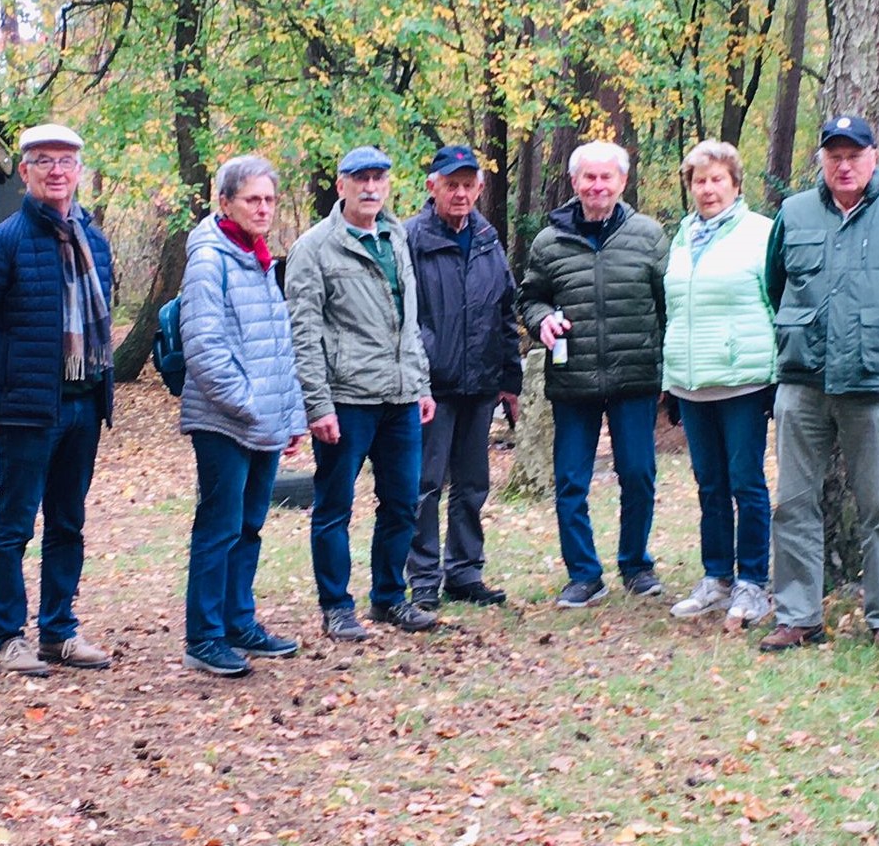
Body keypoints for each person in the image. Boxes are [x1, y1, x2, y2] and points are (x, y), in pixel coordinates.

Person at [759, 114, 879, 652]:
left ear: (874, 158)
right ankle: (798, 616)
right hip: (803, 383)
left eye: (855, 154)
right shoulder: (792, 213)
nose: (844, 164)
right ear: (821, 159)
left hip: (876, 387)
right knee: (793, 503)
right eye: (834, 154)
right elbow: (776, 287)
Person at [0, 123, 116, 676]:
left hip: (84, 403)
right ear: (24, 172)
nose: (56, 171)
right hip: (27, 410)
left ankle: (58, 633)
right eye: (43, 161)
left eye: (66, 162)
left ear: (78, 171)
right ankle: (5, 641)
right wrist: (4, 379)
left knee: (67, 523)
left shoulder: (94, 241)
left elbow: (102, 316)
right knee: (14, 525)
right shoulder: (0, 246)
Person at [287, 146, 438, 640]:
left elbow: (409, 321)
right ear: (341, 186)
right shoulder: (315, 247)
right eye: (360, 179)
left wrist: (420, 384)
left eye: (378, 178)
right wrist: (317, 403)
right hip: (346, 399)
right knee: (335, 505)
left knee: (401, 503)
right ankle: (335, 606)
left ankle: (389, 598)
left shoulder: (396, 237)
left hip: (399, 399)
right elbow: (303, 331)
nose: (370, 187)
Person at [175, 156, 312, 677]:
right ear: (225, 202)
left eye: (269, 199)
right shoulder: (210, 259)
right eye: (251, 199)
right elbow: (205, 347)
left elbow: (278, 347)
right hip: (223, 421)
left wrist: (290, 414)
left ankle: (238, 622)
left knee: (250, 525)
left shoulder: (257, 257)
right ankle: (204, 636)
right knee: (220, 526)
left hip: (263, 422)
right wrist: (252, 407)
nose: (262, 208)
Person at [519, 140, 671, 608]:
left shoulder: (649, 235)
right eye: (590, 177)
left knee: (639, 474)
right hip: (574, 380)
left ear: (622, 183)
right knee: (570, 481)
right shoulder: (550, 241)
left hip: (635, 376)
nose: (598, 185)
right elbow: (529, 298)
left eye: (607, 177)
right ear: (575, 183)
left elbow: (671, 306)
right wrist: (541, 318)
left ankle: (636, 565)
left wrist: (670, 369)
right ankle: (583, 574)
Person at [661, 140, 777, 627]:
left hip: (743, 379)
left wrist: (776, 373)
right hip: (692, 381)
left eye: (716, 179)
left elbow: (778, 301)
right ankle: (716, 577)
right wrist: (669, 377)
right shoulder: (684, 235)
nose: (707, 189)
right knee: (709, 484)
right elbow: (676, 310)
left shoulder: (762, 233)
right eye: (699, 180)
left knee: (746, 483)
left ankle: (753, 583)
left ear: (735, 183)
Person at [404, 145, 522, 611]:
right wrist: (413, 380)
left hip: (481, 384)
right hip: (432, 387)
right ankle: (424, 577)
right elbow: (404, 319)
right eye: (451, 184)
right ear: (432, 186)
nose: (460, 193)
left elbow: (504, 312)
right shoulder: (411, 239)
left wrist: (509, 380)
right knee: (425, 485)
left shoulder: (489, 239)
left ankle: (464, 571)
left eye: (467, 185)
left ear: (479, 188)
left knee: (472, 484)